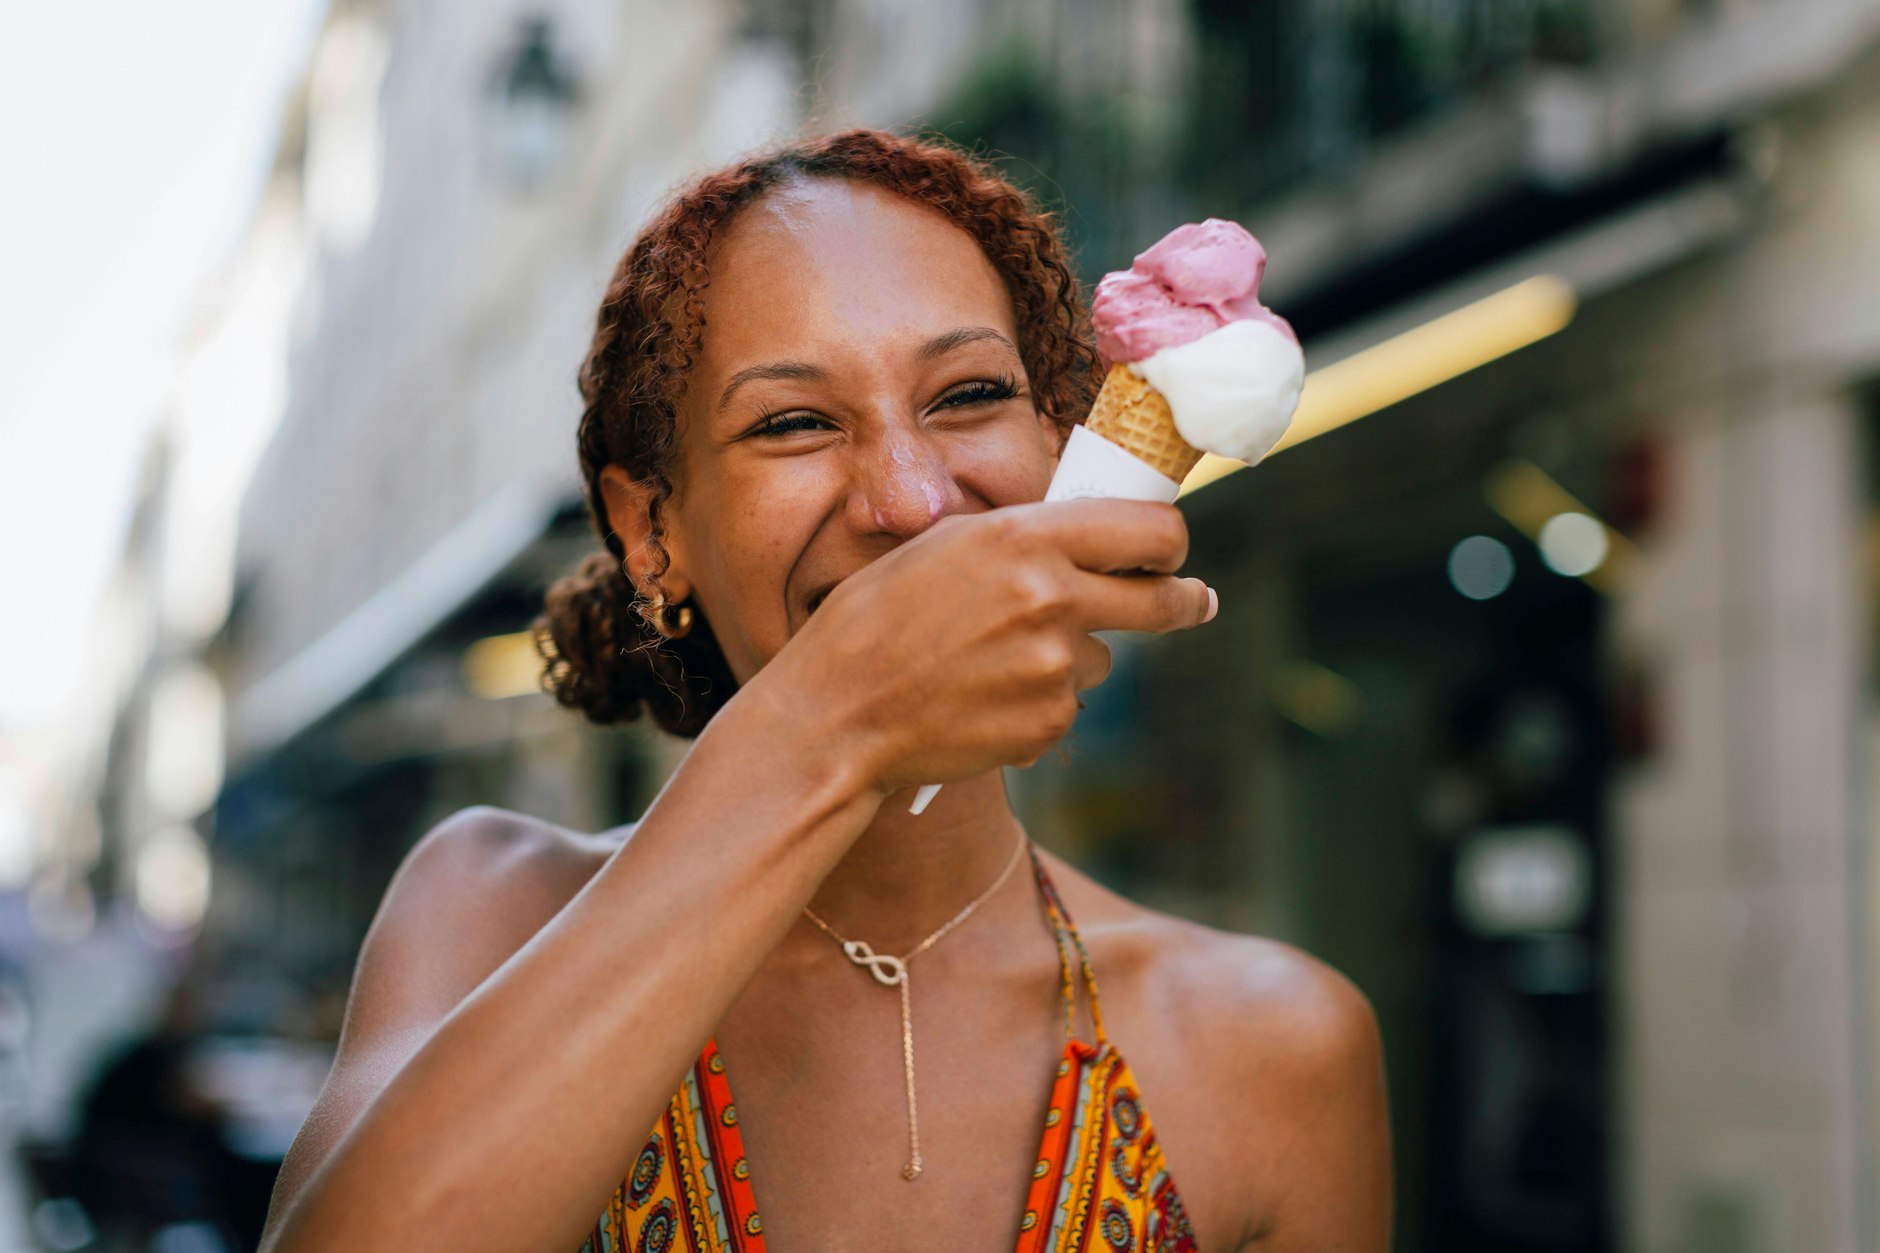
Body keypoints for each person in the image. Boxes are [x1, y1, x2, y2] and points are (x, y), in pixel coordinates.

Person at [257, 128, 1391, 1253]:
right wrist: (827, 730)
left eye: (968, 394)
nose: (907, 500)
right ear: (652, 530)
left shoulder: (1272, 1043)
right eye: (793, 421)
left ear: (1060, 450)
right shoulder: (491, 912)